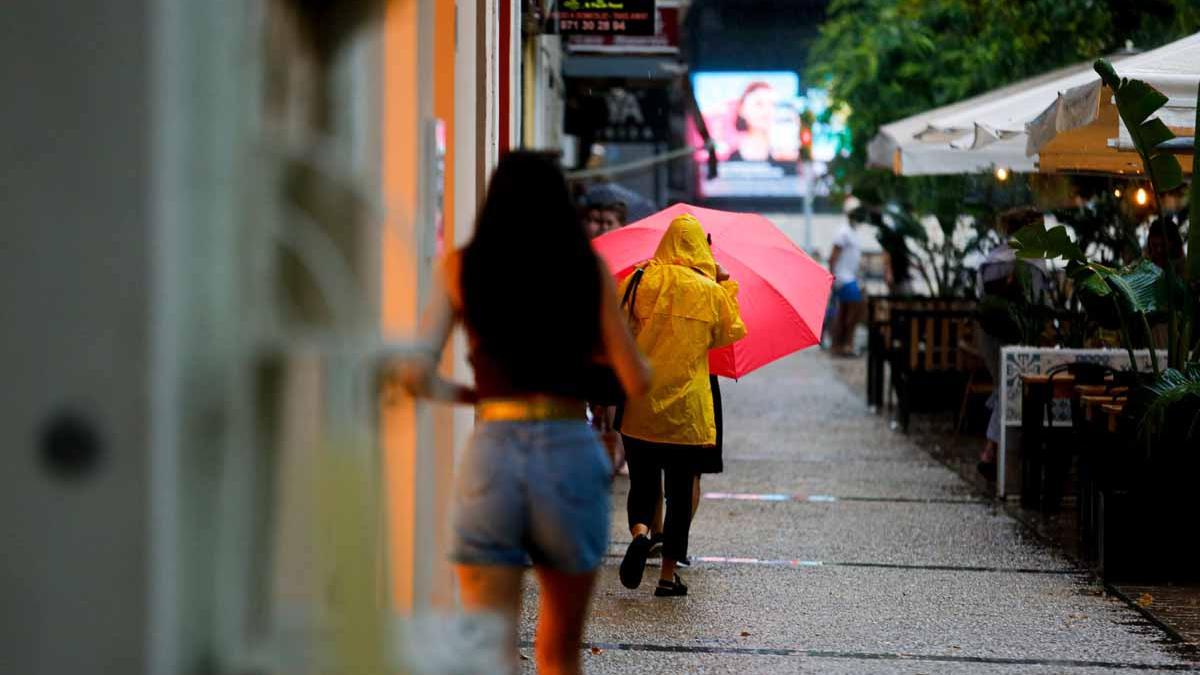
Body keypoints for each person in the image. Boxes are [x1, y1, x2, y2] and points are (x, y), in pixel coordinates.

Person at [402, 151, 651, 674]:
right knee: (559, 652)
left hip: (493, 450)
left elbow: (414, 374)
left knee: (491, 652)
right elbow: (636, 379)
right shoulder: (587, 270)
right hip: (568, 450)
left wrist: (477, 397)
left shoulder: (461, 266)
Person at [617, 214, 746, 597]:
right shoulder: (709, 291)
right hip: (687, 413)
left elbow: (621, 328)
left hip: (641, 406)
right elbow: (730, 332)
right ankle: (668, 576)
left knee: (642, 485)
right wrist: (725, 282)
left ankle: (640, 535)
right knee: (678, 493)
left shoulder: (640, 280)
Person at [975, 207, 1049, 481]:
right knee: (1011, 389)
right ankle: (993, 451)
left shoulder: (992, 258)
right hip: (1019, 335)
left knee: (1003, 386)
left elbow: (980, 294)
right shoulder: (1033, 262)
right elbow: (1038, 304)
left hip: (989, 334)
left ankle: (992, 450)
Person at [727, 81, 797, 169]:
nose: (767, 110)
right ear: (742, 109)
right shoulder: (731, 159)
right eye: (759, 104)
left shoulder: (786, 156)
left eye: (773, 104)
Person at [828, 197, 865, 356]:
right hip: (844, 279)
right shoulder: (843, 232)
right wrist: (832, 278)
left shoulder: (852, 231)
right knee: (852, 312)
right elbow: (833, 257)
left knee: (844, 312)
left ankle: (841, 345)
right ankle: (844, 344)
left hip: (850, 278)